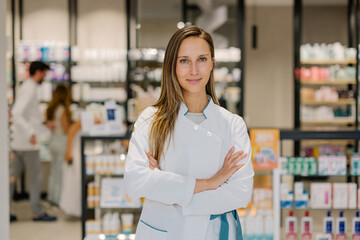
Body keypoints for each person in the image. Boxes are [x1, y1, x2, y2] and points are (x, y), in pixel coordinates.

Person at [124, 26, 254, 240]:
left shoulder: (232, 125)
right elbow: (136, 181)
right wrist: (211, 183)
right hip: (162, 232)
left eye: (201, 59)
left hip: (211, 233)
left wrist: (167, 190)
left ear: (212, 62)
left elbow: (240, 193)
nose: (194, 70)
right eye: (184, 60)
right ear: (172, 65)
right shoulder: (150, 120)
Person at [10, 61, 57, 221]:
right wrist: (31, 132)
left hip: (20, 143)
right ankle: (37, 212)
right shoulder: (29, 88)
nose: (45, 77)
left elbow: (29, 114)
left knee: (11, 178)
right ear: (38, 72)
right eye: (44, 73)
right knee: (35, 178)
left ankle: (4, 212)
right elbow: (16, 113)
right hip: (28, 144)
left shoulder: (27, 87)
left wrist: (44, 122)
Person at [45, 84, 71, 206]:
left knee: (54, 171)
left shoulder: (51, 109)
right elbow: (67, 129)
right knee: (61, 172)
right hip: (61, 143)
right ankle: (59, 200)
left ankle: (51, 197)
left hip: (52, 142)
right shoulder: (62, 110)